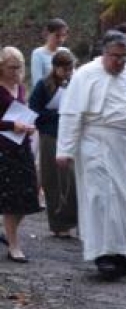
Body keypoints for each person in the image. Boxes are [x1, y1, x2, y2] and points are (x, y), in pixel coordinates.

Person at [56, 30, 126, 279]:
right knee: (101, 199)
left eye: (124, 57)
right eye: (115, 57)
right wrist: (65, 149)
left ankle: (123, 253)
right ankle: (103, 254)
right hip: (96, 145)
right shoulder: (85, 75)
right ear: (104, 52)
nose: (119, 62)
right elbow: (71, 114)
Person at [28, 50, 77, 238]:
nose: (68, 73)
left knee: (72, 180)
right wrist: (57, 114)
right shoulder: (43, 85)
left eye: (70, 69)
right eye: (64, 69)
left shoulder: (74, 83)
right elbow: (34, 112)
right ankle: (59, 224)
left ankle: (74, 219)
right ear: (55, 68)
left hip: (71, 136)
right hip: (50, 135)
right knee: (53, 179)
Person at [0, 46, 41, 262]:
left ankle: (9, 233)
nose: (15, 72)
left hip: (22, 146)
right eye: (11, 68)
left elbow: (23, 113)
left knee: (27, 197)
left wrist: (27, 125)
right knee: (10, 200)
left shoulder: (22, 89)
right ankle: (14, 245)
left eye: (19, 68)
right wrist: (9, 125)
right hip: (4, 150)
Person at [30, 18, 71, 88]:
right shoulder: (38, 54)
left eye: (63, 35)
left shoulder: (66, 51)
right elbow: (37, 82)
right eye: (57, 35)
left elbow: (72, 76)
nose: (61, 39)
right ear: (48, 34)